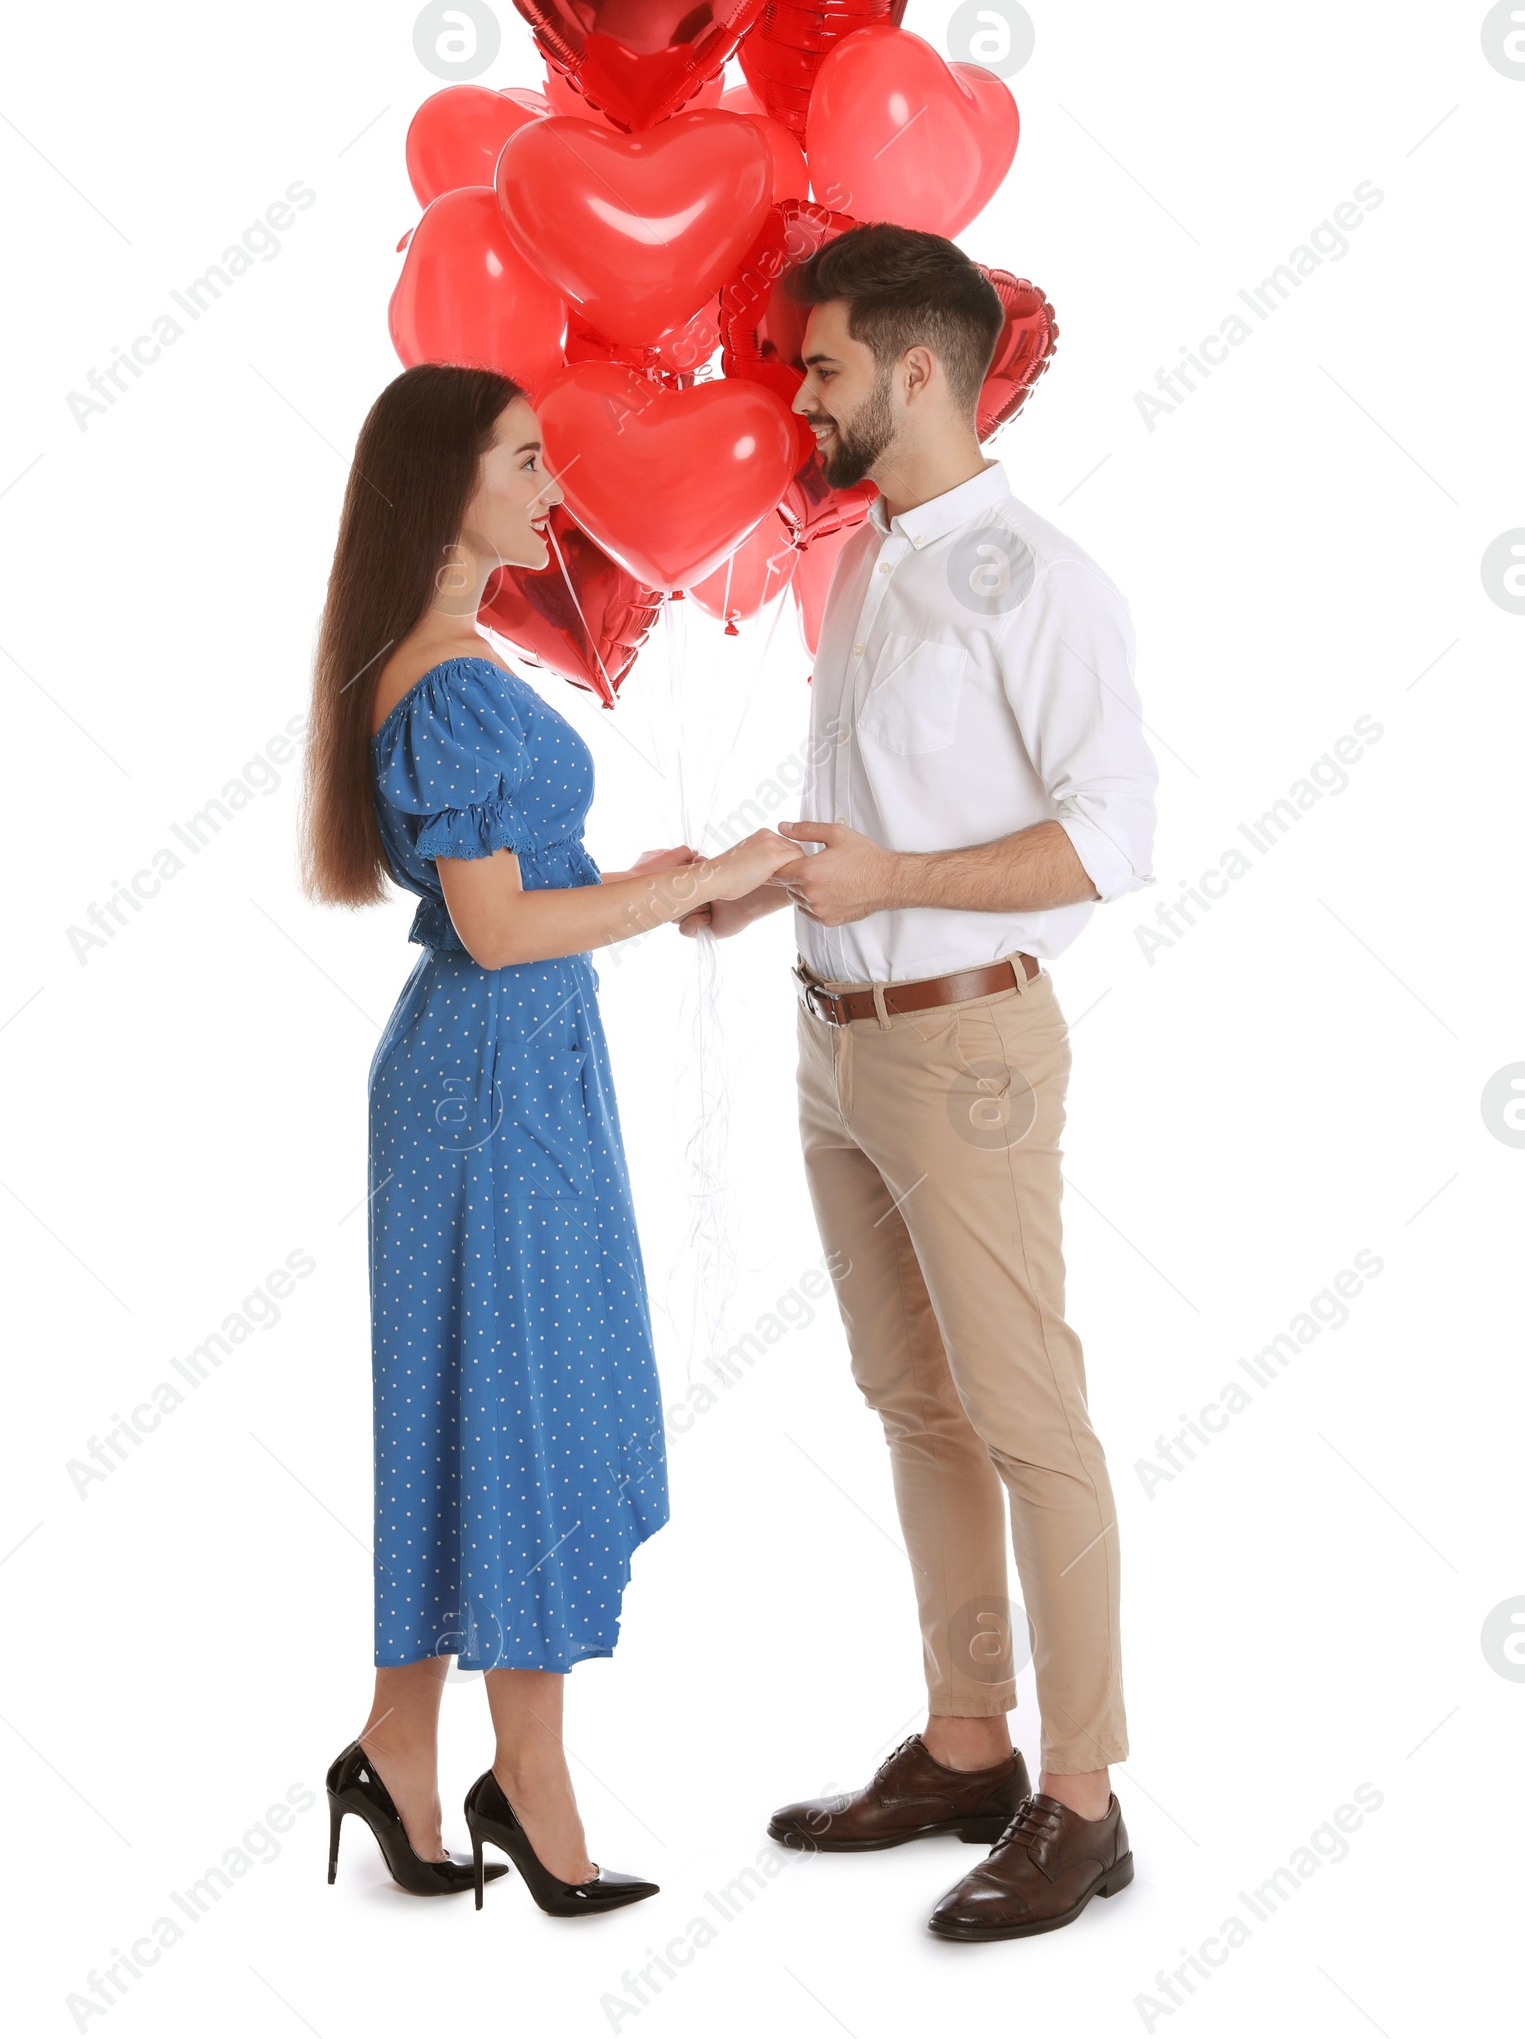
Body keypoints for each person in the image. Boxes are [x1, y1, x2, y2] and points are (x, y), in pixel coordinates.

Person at [681, 224, 1158, 1942]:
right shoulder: (874, 555)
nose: (794, 395)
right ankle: (969, 1746)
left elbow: (1111, 840)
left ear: (919, 371)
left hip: (965, 1052)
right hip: (833, 1042)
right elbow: (881, 806)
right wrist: (756, 886)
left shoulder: (1036, 575)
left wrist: (891, 887)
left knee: (1030, 1419)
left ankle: (1084, 1804)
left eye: (818, 368)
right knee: (915, 1403)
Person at [301, 363, 799, 1917]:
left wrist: (656, 874)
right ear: (443, 485)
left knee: (488, 1399)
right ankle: (520, 1773)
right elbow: (500, 928)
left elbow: (519, 897)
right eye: (524, 461)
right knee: (517, 1401)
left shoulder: (434, 661)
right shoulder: (444, 682)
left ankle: (411, 1742)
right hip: (492, 1078)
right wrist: (683, 881)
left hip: (506, 1069)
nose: (550, 488)